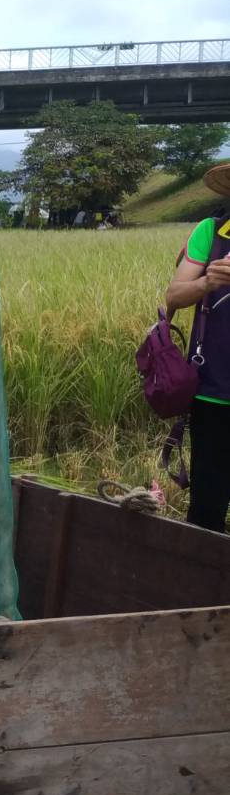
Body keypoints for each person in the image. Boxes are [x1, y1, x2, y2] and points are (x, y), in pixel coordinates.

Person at [164, 161, 230, 533]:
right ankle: (205, 587)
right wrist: (207, 281)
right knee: (207, 507)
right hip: (214, 392)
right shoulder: (212, 231)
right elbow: (174, 294)